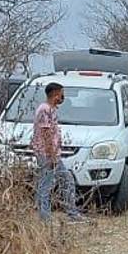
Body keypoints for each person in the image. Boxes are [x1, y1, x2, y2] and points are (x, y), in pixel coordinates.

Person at [32, 82, 88, 224]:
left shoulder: (51, 110)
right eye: (61, 94)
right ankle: (45, 218)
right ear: (55, 94)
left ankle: (72, 213)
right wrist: (51, 156)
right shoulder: (44, 109)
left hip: (53, 154)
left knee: (67, 180)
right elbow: (46, 134)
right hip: (47, 155)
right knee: (46, 185)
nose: (63, 97)